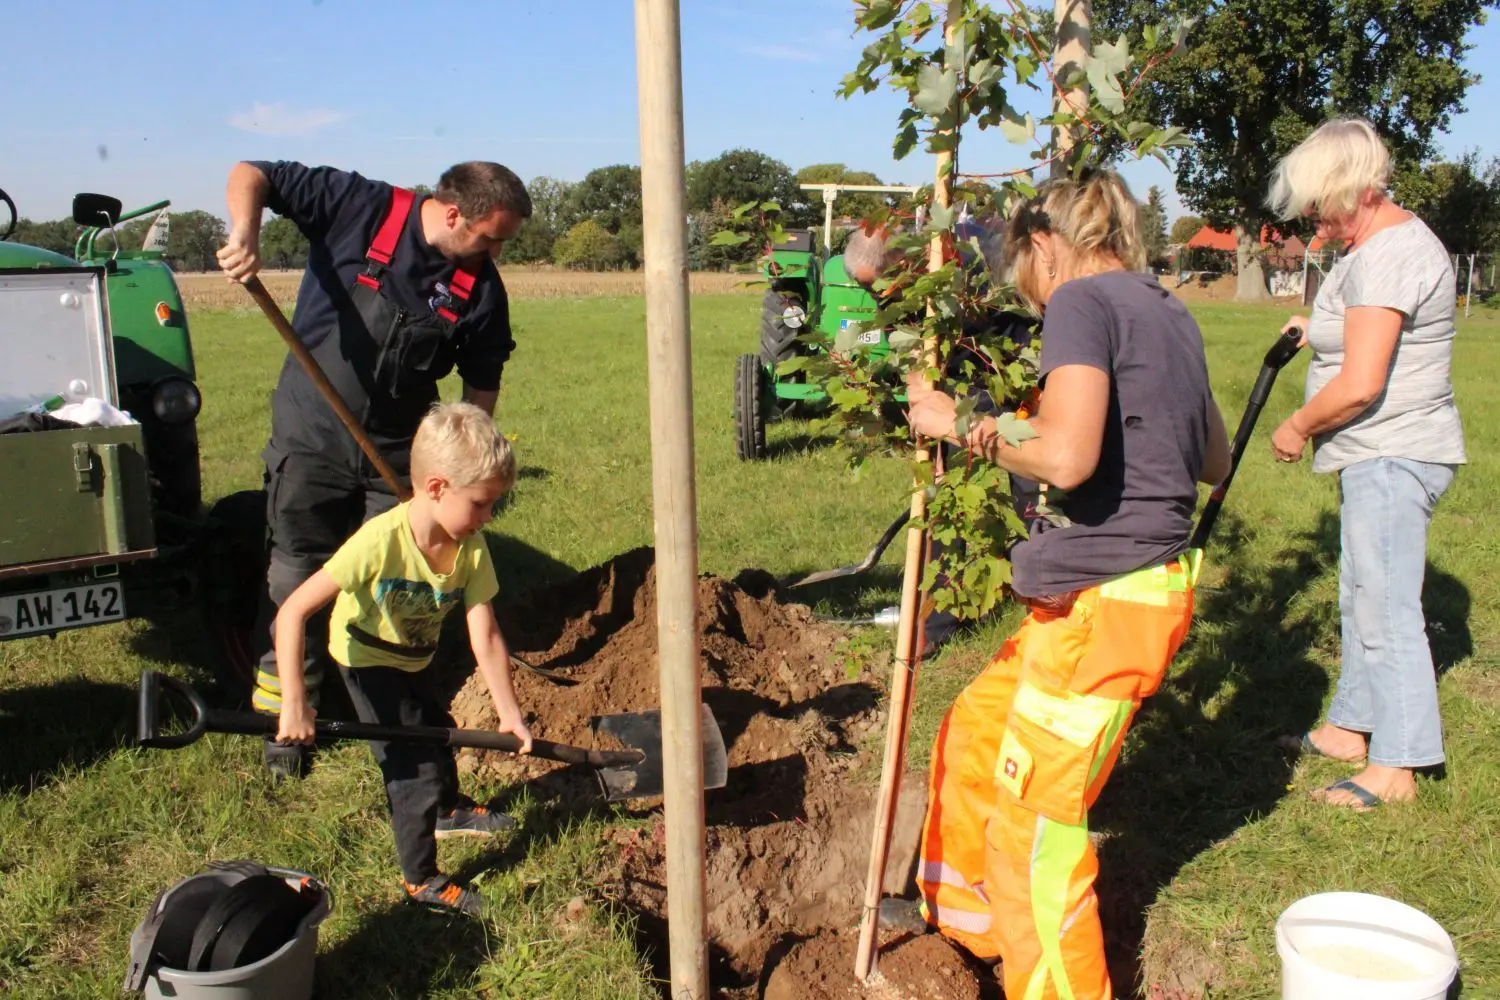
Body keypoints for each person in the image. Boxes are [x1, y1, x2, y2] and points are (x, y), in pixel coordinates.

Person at [880, 168, 1232, 1000]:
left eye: (1023, 273)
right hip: (1122, 593)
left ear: (1044, 245)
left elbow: (1067, 459)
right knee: (975, 730)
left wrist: (958, 423)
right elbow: (1213, 459)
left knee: (1033, 827)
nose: (1030, 296)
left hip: (1104, 608)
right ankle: (969, 929)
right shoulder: (1167, 308)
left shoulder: (1080, 300)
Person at [216, 158, 532, 779]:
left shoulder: (481, 290)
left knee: (395, 584)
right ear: (452, 214)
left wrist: (466, 466)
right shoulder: (358, 206)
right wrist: (245, 232)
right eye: (490, 238)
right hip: (311, 434)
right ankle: (284, 718)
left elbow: (482, 380)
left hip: (397, 453)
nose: (495, 253)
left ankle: (388, 720)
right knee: (296, 572)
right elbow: (252, 173)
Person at [1266, 118, 1465, 811]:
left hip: (1395, 449)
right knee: (1361, 592)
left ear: (1350, 188)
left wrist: (1296, 426)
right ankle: (1351, 727)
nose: (1312, 217)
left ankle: (1398, 764)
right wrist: (1309, 328)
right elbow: (1353, 327)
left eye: (1318, 202)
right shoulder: (1370, 248)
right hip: (1375, 452)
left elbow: (1360, 383)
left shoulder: (1391, 253)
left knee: (1386, 605)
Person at [274, 401, 533, 916]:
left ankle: (448, 811)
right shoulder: (379, 541)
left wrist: (509, 713)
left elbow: (485, 633)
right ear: (437, 488)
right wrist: (296, 702)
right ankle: (421, 879)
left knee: (438, 728)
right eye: (481, 504)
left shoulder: (470, 548)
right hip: (366, 660)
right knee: (412, 769)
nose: (488, 517)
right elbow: (292, 613)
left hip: (414, 656)